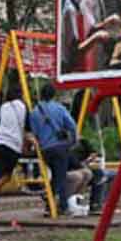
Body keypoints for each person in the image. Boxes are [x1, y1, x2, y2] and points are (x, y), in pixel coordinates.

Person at [27, 83, 80, 214]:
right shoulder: (59, 108)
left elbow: (34, 132)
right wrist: (73, 140)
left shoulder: (34, 112)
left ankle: (49, 204)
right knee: (60, 177)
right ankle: (62, 206)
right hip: (59, 147)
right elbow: (72, 125)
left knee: (55, 176)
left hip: (45, 149)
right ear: (53, 95)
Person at [0, 78, 29, 218]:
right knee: (7, 175)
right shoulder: (23, 106)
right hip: (13, 145)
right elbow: (28, 126)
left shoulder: (3, 106)